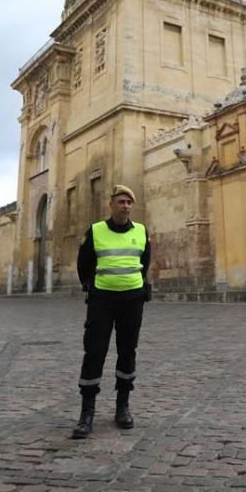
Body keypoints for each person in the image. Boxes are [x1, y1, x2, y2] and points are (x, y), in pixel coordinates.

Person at [71, 184, 152, 439]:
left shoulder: (141, 231)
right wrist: (92, 287)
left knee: (128, 351)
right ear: (111, 204)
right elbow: (83, 264)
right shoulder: (95, 231)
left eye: (129, 202)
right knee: (95, 351)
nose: (125, 206)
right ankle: (87, 412)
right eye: (121, 201)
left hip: (132, 299)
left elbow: (144, 262)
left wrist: (137, 288)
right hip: (102, 300)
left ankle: (122, 407)